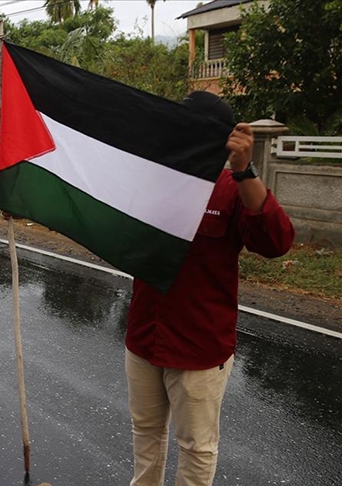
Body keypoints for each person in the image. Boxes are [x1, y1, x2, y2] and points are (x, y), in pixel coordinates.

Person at [124, 91, 295, 486]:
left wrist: (244, 170)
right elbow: (98, 217)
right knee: (145, 432)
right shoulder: (151, 182)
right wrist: (30, 200)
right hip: (144, 336)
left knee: (196, 447)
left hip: (198, 346)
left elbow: (276, 242)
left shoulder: (231, 188)